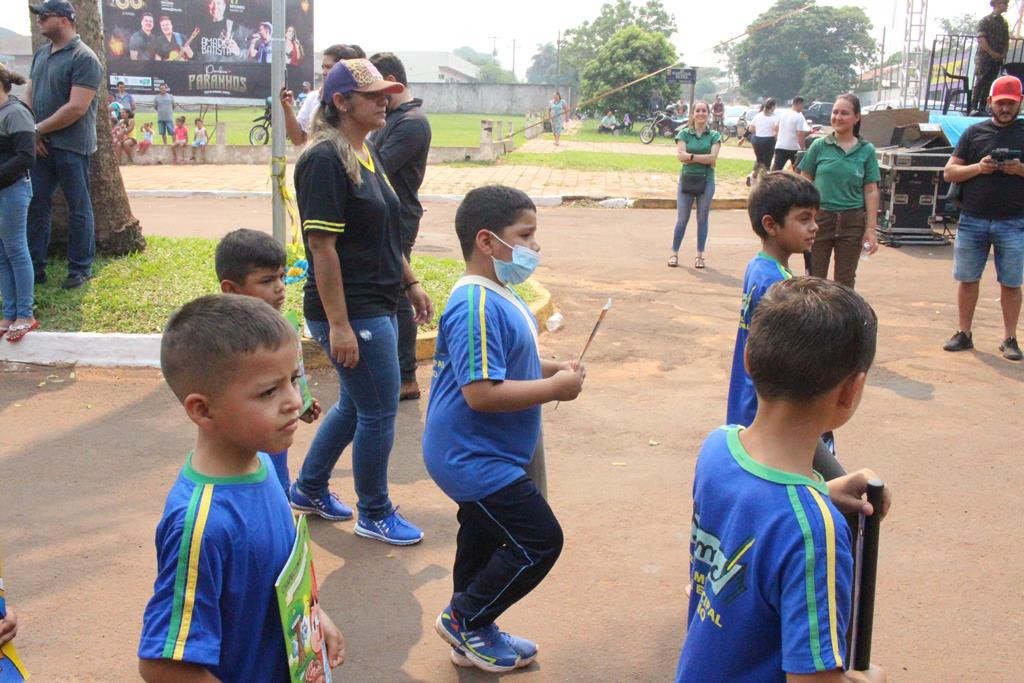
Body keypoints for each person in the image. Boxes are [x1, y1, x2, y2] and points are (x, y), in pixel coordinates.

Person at [675, 276, 890, 683]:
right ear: (851, 391)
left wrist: (821, 492)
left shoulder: (717, 450)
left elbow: (757, 522)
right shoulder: (814, 533)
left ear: (749, 362)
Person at [137, 294, 346, 683]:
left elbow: (273, 579)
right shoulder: (200, 525)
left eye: (293, 379)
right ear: (202, 410)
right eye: (269, 392)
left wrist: (313, 617)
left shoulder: (264, 464)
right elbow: (162, 664)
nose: (294, 401)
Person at [424, 185, 585, 672]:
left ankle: (473, 628)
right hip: (470, 456)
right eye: (525, 235)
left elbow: (514, 361)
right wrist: (555, 390)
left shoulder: (500, 291)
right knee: (539, 540)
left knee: (482, 535)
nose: (534, 247)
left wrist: (553, 366)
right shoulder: (474, 303)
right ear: (488, 242)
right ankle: (466, 618)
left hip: (484, 451)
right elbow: (482, 392)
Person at [291, 59, 433, 545]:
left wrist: (410, 282)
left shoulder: (364, 150)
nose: (384, 101)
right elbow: (322, 248)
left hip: (378, 300)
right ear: (341, 102)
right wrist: (340, 325)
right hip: (351, 308)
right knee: (377, 410)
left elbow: (385, 232)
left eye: (386, 94)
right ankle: (375, 512)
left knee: (357, 406)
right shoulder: (324, 159)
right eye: (373, 95)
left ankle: (308, 489)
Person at [215, 228, 324, 493]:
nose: (280, 287)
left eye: (282, 277)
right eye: (266, 281)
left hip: (276, 441)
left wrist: (302, 403)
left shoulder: (286, 325)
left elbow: (293, 373)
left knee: (277, 490)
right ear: (231, 288)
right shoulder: (225, 341)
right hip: (244, 449)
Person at [726, 172, 818, 429]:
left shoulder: (757, 267)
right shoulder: (779, 285)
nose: (814, 227)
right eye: (804, 219)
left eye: (814, 218)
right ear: (770, 224)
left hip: (747, 399)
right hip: (766, 410)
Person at [942, 74, 1024, 361]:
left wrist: (1019, 169)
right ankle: (964, 332)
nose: (1005, 108)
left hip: (1014, 221)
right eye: (1001, 103)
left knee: (1012, 282)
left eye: (1011, 104)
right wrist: (979, 167)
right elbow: (950, 172)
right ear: (990, 102)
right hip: (973, 219)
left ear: (1020, 103)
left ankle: (1010, 337)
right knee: (967, 278)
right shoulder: (974, 133)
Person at [25, 0, 103, 290]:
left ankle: (80, 268)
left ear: (66, 20)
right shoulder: (41, 55)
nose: (39, 21)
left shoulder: (84, 58)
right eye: (38, 16)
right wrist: (34, 133)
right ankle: (35, 267)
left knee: (79, 207)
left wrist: (36, 130)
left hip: (73, 147)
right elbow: (30, 96)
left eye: (45, 16)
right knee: (36, 204)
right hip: (41, 146)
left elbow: (76, 108)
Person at [369, 52, 433, 401]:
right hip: (387, 214)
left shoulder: (411, 124)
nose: (374, 98)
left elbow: (378, 166)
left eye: (377, 89)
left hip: (400, 217)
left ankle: (407, 376)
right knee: (391, 291)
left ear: (392, 81)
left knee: (397, 294)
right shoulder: (396, 119)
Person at [799, 93, 880, 289]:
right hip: (820, 220)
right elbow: (804, 183)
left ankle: (843, 320)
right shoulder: (819, 146)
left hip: (852, 223)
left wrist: (870, 229)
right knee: (814, 280)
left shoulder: (866, 150)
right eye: (835, 112)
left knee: (845, 282)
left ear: (857, 117)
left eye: (845, 113)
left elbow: (871, 190)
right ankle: (814, 320)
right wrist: (803, 219)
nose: (838, 117)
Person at [0, 64, 37, 343]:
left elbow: (26, 157)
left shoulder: (15, 113)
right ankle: (10, 312)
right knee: (2, 254)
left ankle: (25, 313)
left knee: (15, 249)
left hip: (13, 191)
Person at [668, 100, 721, 270]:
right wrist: (701, 158)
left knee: (702, 218)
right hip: (687, 179)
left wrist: (690, 156)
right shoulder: (684, 133)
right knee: (682, 218)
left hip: (706, 180)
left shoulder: (714, 135)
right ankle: (674, 253)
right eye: (698, 110)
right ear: (692, 114)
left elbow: (713, 159)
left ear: (708, 113)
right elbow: (680, 157)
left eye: (704, 111)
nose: (701, 114)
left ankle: (700, 255)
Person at [281, 44, 366, 146]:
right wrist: (287, 109)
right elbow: (298, 140)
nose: (324, 72)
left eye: (329, 67)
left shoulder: (358, 101)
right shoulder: (313, 98)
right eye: (323, 67)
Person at [971, 0, 1010, 115]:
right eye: (1004, 3)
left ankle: (983, 107)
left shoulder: (1004, 23)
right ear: (997, 4)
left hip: (997, 59)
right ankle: (973, 107)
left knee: (990, 83)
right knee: (980, 81)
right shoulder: (985, 20)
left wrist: (1002, 54)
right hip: (984, 58)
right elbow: (981, 39)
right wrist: (991, 52)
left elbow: (1006, 40)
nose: (1006, 6)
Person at [772, 96, 811, 171]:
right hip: (794, 148)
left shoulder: (783, 114)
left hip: (780, 146)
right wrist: (803, 148)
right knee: (797, 171)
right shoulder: (799, 116)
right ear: (799, 104)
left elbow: (776, 127)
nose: (802, 108)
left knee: (776, 169)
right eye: (802, 106)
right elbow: (800, 134)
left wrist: (778, 138)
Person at [748, 97, 779, 184]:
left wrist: (760, 131)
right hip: (768, 140)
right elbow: (776, 128)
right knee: (767, 162)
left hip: (757, 139)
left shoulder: (758, 115)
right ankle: (765, 181)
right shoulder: (775, 117)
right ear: (772, 107)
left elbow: (751, 129)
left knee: (759, 159)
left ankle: (752, 176)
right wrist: (776, 136)